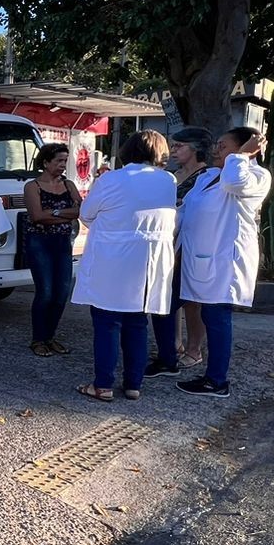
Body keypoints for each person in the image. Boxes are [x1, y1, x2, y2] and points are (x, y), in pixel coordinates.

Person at [70, 131, 177, 402]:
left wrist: (110, 226)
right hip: (150, 261)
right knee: (137, 323)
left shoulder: (111, 179)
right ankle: (133, 384)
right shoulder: (168, 180)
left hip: (112, 259)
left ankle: (103, 385)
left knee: (107, 322)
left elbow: (86, 213)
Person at [174, 127, 274, 398]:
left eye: (223, 146)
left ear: (247, 149)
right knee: (205, 313)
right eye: (216, 145)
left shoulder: (256, 176)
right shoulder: (208, 176)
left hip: (224, 261)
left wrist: (242, 156)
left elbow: (235, 183)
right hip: (199, 258)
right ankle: (193, 368)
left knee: (217, 317)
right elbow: (186, 211)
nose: (216, 150)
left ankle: (217, 380)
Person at [147, 126, 215, 375]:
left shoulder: (207, 177)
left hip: (192, 244)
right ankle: (173, 345)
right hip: (168, 243)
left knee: (192, 301)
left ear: (195, 148)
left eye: (179, 146)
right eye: (172, 145)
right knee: (169, 295)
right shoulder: (172, 175)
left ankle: (194, 349)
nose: (173, 151)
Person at [23, 143, 82, 356]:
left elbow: (80, 210)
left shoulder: (68, 185)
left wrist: (54, 212)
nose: (62, 165)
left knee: (62, 292)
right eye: (58, 161)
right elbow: (37, 216)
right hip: (40, 242)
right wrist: (65, 214)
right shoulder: (33, 186)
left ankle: (50, 336)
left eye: (65, 160)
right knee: (45, 291)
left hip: (63, 242)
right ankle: (38, 338)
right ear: (46, 162)